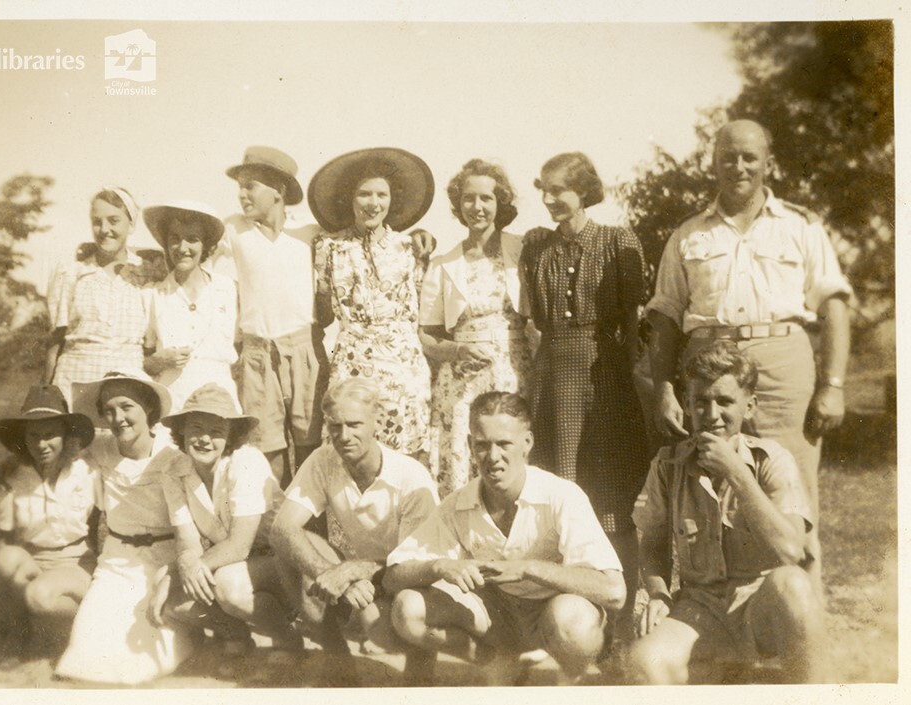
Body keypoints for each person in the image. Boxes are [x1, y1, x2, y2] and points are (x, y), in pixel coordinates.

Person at [646, 119, 852, 593]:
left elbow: (834, 305)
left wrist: (834, 386)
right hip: (709, 367)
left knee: (795, 494)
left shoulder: (800, 226)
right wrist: (664, 388)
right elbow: (664, 317)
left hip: (783, 365)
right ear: (713, 163)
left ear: (767, 163)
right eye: (728, 157)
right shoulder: (688, 234)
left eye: (749, 157)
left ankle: (802, 625)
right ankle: (726, 621)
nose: (738, 167)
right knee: (712, 490)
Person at [385, 392, 625, 686]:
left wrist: (528, 568)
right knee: (407, 608)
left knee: (573, 619)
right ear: (471, 446)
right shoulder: (457, 503)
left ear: (527, 444)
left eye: (504, 444)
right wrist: (438, 566)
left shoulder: (561, 495)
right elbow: (393, 576)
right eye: (483, 445)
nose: (493, 456)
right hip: (494, 617)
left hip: (550, 615)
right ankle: (497, 662)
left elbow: (614, 591)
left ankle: (568, 686)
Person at [628, 341, 825, 683]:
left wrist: (736, 472)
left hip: (761, 606)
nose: (712, 414)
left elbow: (792, 551)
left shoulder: (772, 460)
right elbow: (653, 544)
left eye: (725, 401)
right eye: (700, 402)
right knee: (644, 662)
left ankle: (815, 692)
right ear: (687, 404)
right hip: (701, 608)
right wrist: (659, 593)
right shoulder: (666, 465)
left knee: (794, 584)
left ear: (750, 406)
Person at [519, 152, 648, 626]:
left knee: (611, 498)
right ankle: (566, 619)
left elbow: (633, 323)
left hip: (603, 378)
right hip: (552, 378)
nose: (550, 200)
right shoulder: (536, 248)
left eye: (560, 190)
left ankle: (625, 615)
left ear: (583, 190)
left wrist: (626, 380)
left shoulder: (616, 241)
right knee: (559, 493)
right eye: (544, 191)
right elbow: (534, 316)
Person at [270, 379, 439, 684]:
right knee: (289, 552)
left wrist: (348, 572)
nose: (344, 436)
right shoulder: (324, 460)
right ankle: (340, 666)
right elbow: (282, 529)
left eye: (354, 424)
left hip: (407, 579)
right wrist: (334, 574)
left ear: (377, 420)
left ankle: (420, 671)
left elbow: (417, 567)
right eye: (335, 426)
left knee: (385, 630)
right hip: (359, 579)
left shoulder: (412, 478)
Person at [55, 370, 194, 685]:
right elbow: (61, 453)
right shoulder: (102, 448)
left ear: (148, 408)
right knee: (82, 655)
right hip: (116, 561)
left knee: (142, 661)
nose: (117, 418)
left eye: (126, 406)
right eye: (108, 410)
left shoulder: (173, 456)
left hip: (163, 562)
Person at [205, 146, 329, 487]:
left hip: (305, 351)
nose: (242, 195)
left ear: (280, 191)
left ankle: (308, 529)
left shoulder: (310, 234)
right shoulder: (232, 231)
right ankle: (272, 531)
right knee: (266, 451)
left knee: (310, 446)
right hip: (258, 354)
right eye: (240, 187)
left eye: (251, 186)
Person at [147, 383, 301, 654]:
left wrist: (180, 573)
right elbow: (188, 542)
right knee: (167, 593)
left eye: (216, 431)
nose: (204, 439)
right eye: (196, 428)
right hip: (231, 560)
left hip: (277, 561)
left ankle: (287, 638)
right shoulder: (173, 469)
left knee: (227, 585)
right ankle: (236, 634)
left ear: (231, 435)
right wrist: (177, 569)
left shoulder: (246, 462)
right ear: (181, 430)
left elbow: (240, 545)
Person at [309, 147, 436, 462]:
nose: (373, 203)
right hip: (353, 362)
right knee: (349, 447)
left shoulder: (411, 248)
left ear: (392, 199)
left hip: (403, 364)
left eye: (382, 194)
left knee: (407, 453)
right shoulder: (330, 247)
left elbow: (423, 312)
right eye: (365, 194)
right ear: (349, 199)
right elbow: (323, 313)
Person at [419, 159, 531, 496]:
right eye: (469, 198)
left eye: (486, 198)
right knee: (466, 462)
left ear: (500, 203)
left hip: (513, 372)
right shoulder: (443, 264)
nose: (477, 207)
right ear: (458, 204)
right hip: (462, 379)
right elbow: (426, 335)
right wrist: (456, 350)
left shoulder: (523, 250)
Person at [0, 385, 97, 663]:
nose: (41, 444)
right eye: (33, 436)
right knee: (6, 558)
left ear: (66, 436)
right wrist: (7, 602)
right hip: (35, 557)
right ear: (23, 439)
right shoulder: (10, 475)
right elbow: (3, 535)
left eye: (50, 435)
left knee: (40, 598)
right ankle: (17, 633)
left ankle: (90, 622)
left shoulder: (87, 471)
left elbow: (104, 523)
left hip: (77, 561)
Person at [45, 186, 166, 404]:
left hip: (127, 386)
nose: (104, 229)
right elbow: (55, 342)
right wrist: (45, 398)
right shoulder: (71, 273)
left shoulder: (148, 273)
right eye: (97, 221)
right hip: (74, 382)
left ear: (131, 224)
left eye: (113, 220)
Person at [142, 200, 240, 412]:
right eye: (175, 239)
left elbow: (240, 351)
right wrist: (159, 362)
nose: (182, 248)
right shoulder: (153, 295)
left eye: (192, 239)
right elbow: (143, 361)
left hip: (219, 400)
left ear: (206, 245)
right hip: (173, 401)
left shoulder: (228, 289)